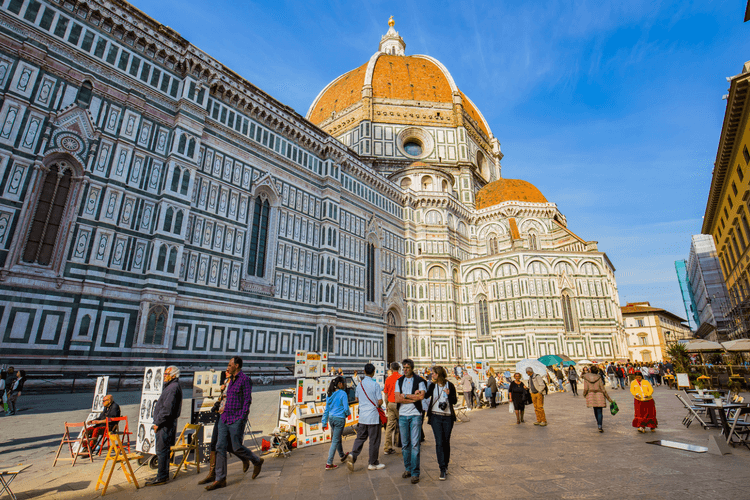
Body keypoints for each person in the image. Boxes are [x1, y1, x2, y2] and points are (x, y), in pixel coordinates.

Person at [207, 357, 263, 491]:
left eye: (229, 365)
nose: (227, 367)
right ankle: (220, 479)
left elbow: (247, 400)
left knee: (236, 447)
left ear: (236, 366)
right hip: (224, 417)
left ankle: (256, 460)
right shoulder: (229, 380)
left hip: (236, 418)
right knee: (220, 446)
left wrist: (242, 417)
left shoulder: (245, 380)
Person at [146, 366, 182, 487]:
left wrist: (158, 423)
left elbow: (167, 410)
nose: (164, 376)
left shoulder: (172, 388)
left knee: (162, 451)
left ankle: (161, 477)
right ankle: (163, 475)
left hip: (165, 425)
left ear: (173, 375)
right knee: (163, 451)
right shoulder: (171, 387)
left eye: (166, 374)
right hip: (166, 424)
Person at [346, 363, 385, 471]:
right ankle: (372, 463)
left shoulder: (360, 385)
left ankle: (353, 454)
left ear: (364, 371)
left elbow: (357, 399)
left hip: (363, 417)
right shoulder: (375, 385)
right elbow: (380, 401)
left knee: (360, 438)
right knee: (374, 440)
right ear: (373, 372)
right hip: (373, 417)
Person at [394, 359, 426, 484]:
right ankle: (408, 469)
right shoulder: (399, 381)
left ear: (412, 368)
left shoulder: (419, 381)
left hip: (415, 415)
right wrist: (414, 397)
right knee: (405, 444)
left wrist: (406, 396)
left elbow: (421, 397)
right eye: (404, 367)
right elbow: (397, 398)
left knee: (415, 445)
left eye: (408, 367)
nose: (406, 369)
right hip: (402, 415)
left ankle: (415, 472)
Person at [198, 370, 233, 485]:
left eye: (228, 371)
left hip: (227, 417)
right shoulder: (226, 384)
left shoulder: (235, 383)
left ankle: (250, 458)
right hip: (220, 415)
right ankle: (212, 473)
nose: (226, 373)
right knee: (213, 443)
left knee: (228, 446)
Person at [424, 366, 457, 481]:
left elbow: (454, 401)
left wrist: (448, 394)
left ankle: (446, 464)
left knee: (446, 441)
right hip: (435, 417)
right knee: (439, 442)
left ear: (438, 374)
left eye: (433, 373)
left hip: (448, 417)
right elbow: (426, 395)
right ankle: (442, 468)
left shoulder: (450, 385)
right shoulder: (433, 385)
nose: (432, 375)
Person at [322, 376, 350, 470]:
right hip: (339, 419)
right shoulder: (343, 393)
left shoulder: (330, 394)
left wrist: (324, 422)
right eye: (343, 383)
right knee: (335, 440)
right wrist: (347, 414)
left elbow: (326, 410)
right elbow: (346, 408)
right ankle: (329, 463)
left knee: (337, 438)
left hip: (331, 419)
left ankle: (342, 455)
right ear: (340, 384)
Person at [583, 366, 612, 432]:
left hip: (591, 395)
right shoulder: (599, 377)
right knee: (599, 411)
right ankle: (600, 425)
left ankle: (598, 423)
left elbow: (586, 388)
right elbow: (603, 389)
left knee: (595, 410)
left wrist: (584, 394)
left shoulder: (586, 378)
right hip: (599, 394)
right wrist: (608, 398)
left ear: (590, 370)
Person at [383, 362, 401, 455]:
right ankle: (405, 445)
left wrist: (387, 405)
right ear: (399, 368)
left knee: (389, 426)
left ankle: (387, 447)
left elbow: (385, 395)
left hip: (390, 403)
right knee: (403, 424)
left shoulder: (388, 379)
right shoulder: (402, 378)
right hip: (400, 404)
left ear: (391, 369)